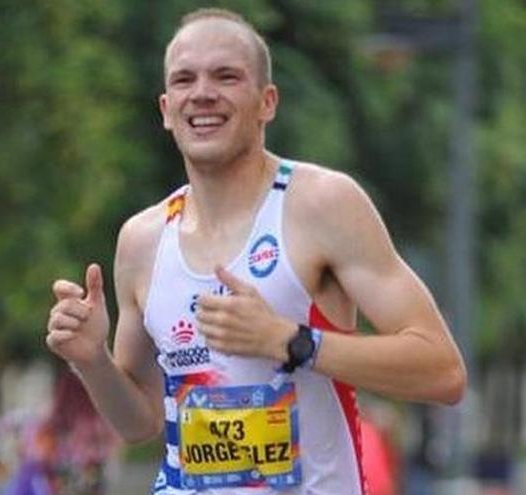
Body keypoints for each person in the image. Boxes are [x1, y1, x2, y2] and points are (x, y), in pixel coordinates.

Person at [45, 7, 466, 494]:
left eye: (226, 76)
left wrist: (292, 343)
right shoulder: (142, 240)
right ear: (165, 109)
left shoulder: (321, 205)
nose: (202, 93)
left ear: (267, 102)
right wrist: (92, 360)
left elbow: (443, 371)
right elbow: (138, 423)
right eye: (184, 79)